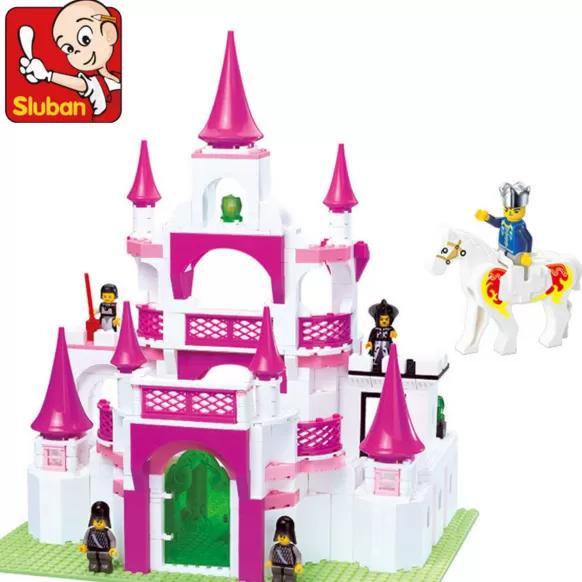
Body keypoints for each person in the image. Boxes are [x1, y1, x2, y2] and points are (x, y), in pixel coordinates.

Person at [19, 0, 120, 120]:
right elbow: (83, 84)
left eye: (85, 39)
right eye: (69, 49)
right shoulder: (97, 84)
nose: (76, 52)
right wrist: (47, 75)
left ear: (109, 34)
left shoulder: (118, 76)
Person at [475, 182, 533, 267]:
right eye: (506, 210)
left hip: (515, 254)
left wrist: (526, 254)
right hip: (501, 250)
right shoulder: (504, 220)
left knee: (516, 268)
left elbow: (528, 239)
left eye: (515, 211)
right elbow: (495, 222)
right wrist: (487, 217)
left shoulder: (519, 225)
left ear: (523, 210)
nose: (510, 213)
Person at [79, 501, 117, 573]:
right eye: (96, 521)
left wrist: (112, 548)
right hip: (91, 550)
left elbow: (112, 540)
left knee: (105, 560)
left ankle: (105, 566)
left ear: (106, 521)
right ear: (92, 521)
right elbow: (85, 539)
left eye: (101, 522)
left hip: (105, 551)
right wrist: (84, 545)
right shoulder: (89, 531)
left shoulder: (107, 532)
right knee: (92, 559)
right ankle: (94, 566)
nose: (98, 524)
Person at [365, 299, 399, 374]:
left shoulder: (390, 329)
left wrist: (393, 333)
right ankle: (375, 366)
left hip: (386, 346)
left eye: (386, 319)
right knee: (375, 356)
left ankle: (387, 367)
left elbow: (393, 333)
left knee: (386, 357)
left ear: (390, 320)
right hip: (376, 346)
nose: (384, 321)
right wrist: (370, 342)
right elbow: (371, 337)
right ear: (377, 319)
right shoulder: (375, 329)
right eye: (381, 319)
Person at [266, 516, 303, 582]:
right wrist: (269, 561)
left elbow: (298, 555)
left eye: (284, 536)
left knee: (289, 578)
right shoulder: (275, 547)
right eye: (280, 536)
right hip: (276, 566)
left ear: (290, 536)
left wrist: (298, 564)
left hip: (289, 567)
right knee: (276, 577)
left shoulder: (292, 548)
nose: (282, 538)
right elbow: (271, 553)